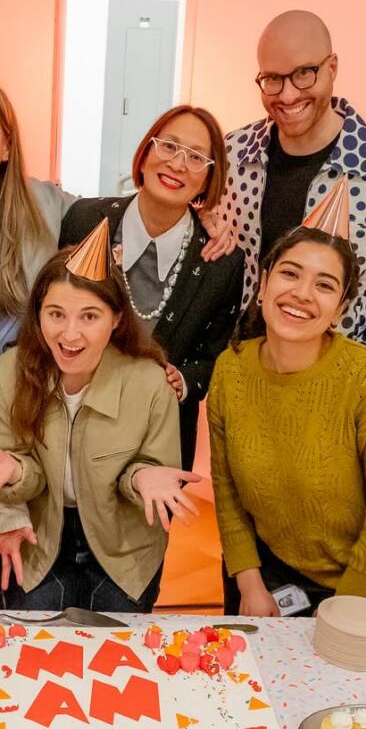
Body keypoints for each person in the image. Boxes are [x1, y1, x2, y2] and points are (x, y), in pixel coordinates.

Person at [0, 237, 201, 613]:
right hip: (39, 540)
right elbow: (20, 483)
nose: (70, 334)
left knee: (117, 658)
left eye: (90, 316)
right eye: (56, 314)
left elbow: (153, 468)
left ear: (116, 319)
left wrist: (142, 476)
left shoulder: (149, 382)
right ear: (38, 313)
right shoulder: (8, 375)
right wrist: (13, 470)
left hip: (125, 552)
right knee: (34, 653)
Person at [208, 222, 366, 617]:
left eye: (324, 285)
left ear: (341, 307)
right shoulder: (230, 368)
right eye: (290, 273)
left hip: (365, 581)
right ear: (264, 282)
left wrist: (344, 608)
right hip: (268, 569)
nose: (302, 294)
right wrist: (250, 584)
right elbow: (226, 488)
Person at [220, 9, 366, 368]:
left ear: (332, 67)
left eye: (304, 74)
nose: (288, 94)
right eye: (273, 79)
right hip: (242, 376)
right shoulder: (232, 155)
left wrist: (351, 375)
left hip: (337, 398)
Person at [60, 105, 244, 469]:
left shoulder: (220, 261)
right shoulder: (84, 220)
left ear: (209, 178)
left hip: (157, 440)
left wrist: (185, 380)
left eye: (195, 157)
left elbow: (217, 355)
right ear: (144, 155)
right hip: (70, 424)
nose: (177, 164)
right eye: (168, 146)